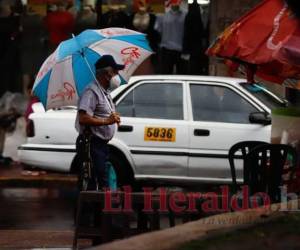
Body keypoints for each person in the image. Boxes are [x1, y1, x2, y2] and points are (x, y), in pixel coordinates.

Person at [75, 55, 124, 190]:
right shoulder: (91, 92)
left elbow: (104, 114)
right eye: (115, 71)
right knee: (94, 183)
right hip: (92, 144)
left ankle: (97, 210)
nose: (117, 75)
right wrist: (106, 121)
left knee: (102, 181)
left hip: (101, 145)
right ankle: (90, 210)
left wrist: (112, 118)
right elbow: (83, 118)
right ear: (107, 74)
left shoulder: (105, 93)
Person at [154, 0, 187, 74]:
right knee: (166, 73)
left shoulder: (186, 15)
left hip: (181, 50)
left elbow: (158, 31)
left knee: (182, 73)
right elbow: (157, 31)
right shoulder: (161, 16)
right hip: (167, 49)